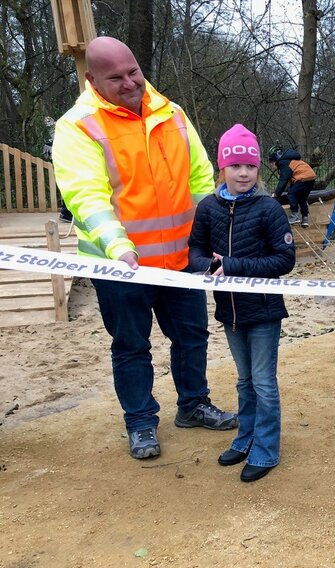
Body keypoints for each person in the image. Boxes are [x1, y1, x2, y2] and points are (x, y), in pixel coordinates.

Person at [51, 36, 237, 460]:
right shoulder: (77, 126)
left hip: (180, 260)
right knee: (131, 345)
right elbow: (86, 197)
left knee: (192, 336)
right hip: (121, 266)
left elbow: (199, 176)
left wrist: (208, 235)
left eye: (133, 71)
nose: (129, 83)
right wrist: (118, 246)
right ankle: (140, 422)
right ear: (91, 79)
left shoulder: (172, 113)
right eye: (115, 78)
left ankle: (193, 405)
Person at [188, 124, 296, 483]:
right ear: (223, 168)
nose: (243, 173)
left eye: (250, 166)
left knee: (263, 382)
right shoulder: (208, 207)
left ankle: (266, 448)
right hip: (229, 311)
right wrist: (207, 265)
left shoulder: (269, 208)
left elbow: (284, 260)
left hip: (264, 311)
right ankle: (246, 436)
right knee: (244, 380)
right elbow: (195, 250)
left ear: (258, 169)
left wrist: (234, 265)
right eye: (235, 166)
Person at [268, 144, 317, 228]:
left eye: (272, 163)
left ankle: (295, 216)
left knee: (291, 194)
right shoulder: (291, 160)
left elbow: (283, 180)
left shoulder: (283, 163)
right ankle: (305, 218)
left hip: (302, 178)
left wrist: (276, 194)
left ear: (275, 160)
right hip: (311, 178)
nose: (272, 165)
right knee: (302, 198)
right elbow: (290, 181)